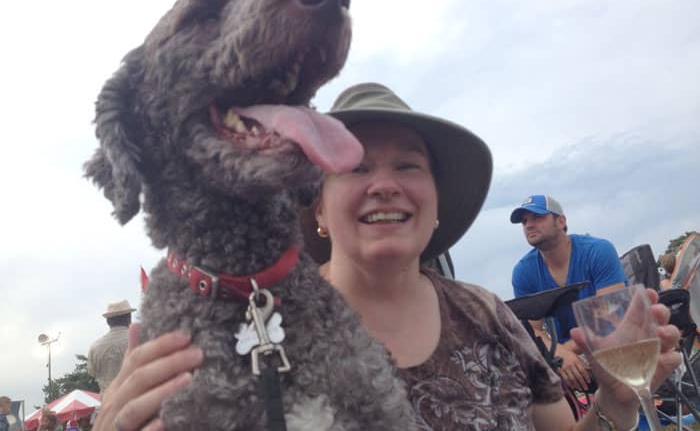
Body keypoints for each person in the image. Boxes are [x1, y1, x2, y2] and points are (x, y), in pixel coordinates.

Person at [91, 83, 681, 431]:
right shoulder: (257, 334)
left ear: (435, 204)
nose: (385, 184)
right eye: (354, 167)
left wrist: (616, 398)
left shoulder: (488, 316)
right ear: (317, 207)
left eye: (408, 165)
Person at [510, 194, 628, 393]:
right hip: (566, 353)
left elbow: (611, 321)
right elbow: (533, 332)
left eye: (537, 217)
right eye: (524, 221)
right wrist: (558, 354)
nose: (529, 225)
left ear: (561, 221)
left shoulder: (598, 251)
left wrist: (561, 355)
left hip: (615, 342)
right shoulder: (523, 272)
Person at [88, 300, 137, 393]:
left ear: (108, 321)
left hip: (109, 402)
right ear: (129, 318)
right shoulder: (140, 338)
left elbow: (92, 373)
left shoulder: (95, 347)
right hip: (137, 398)